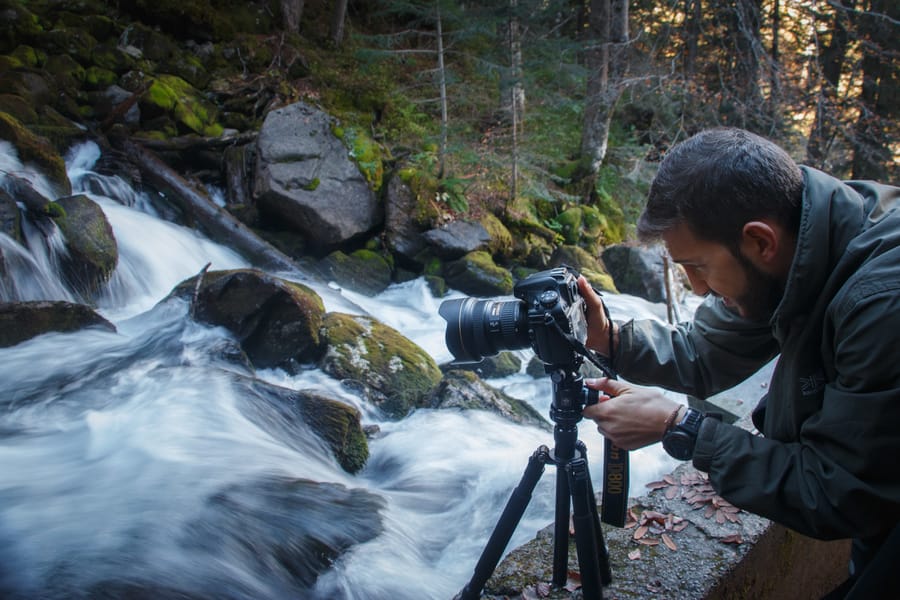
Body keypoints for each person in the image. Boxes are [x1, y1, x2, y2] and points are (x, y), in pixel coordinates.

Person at [575, 127, 900, 598]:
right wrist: (611, 339)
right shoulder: (808, 232)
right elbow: (705, 353)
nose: (699, 289)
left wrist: (680, 428)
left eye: (699, 266)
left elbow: (842, 493)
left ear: (759, 241)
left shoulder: (881, 303)